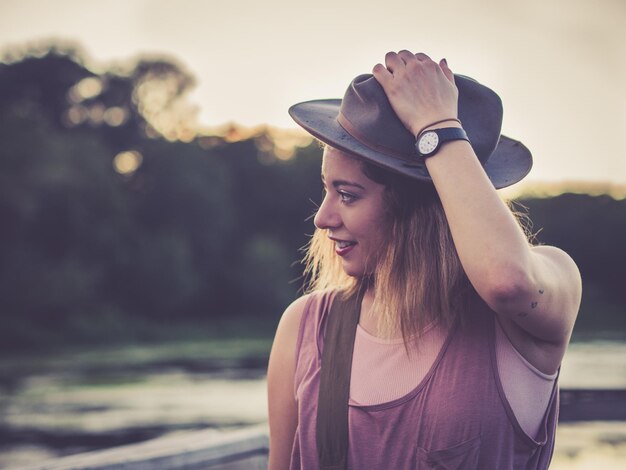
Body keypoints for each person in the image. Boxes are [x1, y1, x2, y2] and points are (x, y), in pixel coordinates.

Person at [267, 50, 581, 470]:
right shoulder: (305, 325)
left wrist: (437, 128)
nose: (322, 219)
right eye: (328, 189)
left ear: (422, 209)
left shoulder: (532, 301)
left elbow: (507, 281)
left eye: (347, 195)